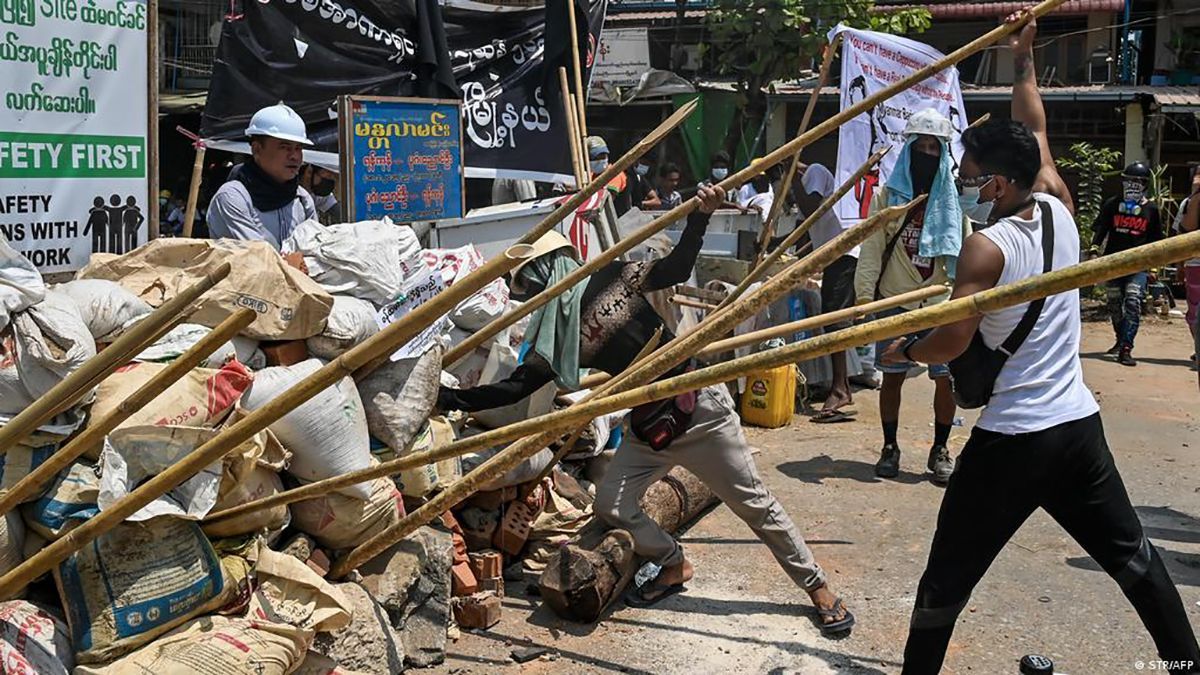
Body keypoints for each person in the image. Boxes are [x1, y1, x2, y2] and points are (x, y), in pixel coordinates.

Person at [436, 185, 855, 636]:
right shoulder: (558, 333)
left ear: (550, 267)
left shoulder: (614, 277)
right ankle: (673, 563)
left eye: (533, 278)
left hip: (697, 412)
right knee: (612, 502)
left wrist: (700, 217)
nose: (532, 291)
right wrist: (455, 400)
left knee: (755, 506)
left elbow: (675, 267)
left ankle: (817, 588)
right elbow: (518, 386)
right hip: (648, 426)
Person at [887, 114, 1200, 675]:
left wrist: (906, 353)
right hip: (1078, 428)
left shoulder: (987, 247)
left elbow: (954, 338)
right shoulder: (1058, 208)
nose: (963, 184)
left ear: (999, 186)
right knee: (1135, 562)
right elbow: (1037, 125)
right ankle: (1186, 666)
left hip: (1013, 438)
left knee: (946, 579)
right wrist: (1024, 56)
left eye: (969, 175)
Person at [853, 109, 969, 484]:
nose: (926, 153)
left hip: (939, 304)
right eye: (920, 146)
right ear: (908, 151)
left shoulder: (954, 206)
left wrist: (967, 305)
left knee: (946, 379)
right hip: (896, 301)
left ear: (943, 153)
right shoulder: (889, 198)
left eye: (934, 148)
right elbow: (871, 251)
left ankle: (940, 448)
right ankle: (890, 447)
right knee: (892, 377)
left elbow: (966, 253)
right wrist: (863, 301)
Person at [206, 102, 317, 250]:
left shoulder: (302, 199)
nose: (295, 156)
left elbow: (315, 251)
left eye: (298, 148)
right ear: (257, 150)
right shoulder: (233, 197)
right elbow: (259, 257)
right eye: (285, 147)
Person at [803, 164, 861, 424]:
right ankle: (840, 386)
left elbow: (811, 210)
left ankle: (840, 390)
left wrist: (790, 180)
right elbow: (813, 226)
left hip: (843, 254)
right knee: (832, 320)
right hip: (834, 256)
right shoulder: (812, 178)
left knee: (836, 320)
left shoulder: (813, 172)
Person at [1091, 161, 1164, 366]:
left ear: (1144, 184)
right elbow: (1101, 230)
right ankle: (1120, 338)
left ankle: (1126, 348)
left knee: (1132, 302)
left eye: (1136, 181)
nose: (1132, 184)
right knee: (1115, 304)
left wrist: (1154, 268)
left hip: (1138, 265)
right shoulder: (1112, 204)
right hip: (1113, 263)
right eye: (1128, 180)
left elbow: (1156, 241)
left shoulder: (1151, 209)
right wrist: (1094, 251)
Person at [1177, 169, 1200, 370]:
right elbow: (1185, 231)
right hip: (1195, 264)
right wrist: (1196, 197)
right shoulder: (1188, 203)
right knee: (1194, 313)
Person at [587, 136, 631, 216]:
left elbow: (605, 202)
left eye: (603, 156)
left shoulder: (614, 173)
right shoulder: (591, 176)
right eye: (595, 157)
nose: (601, 159)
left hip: (618, 222)